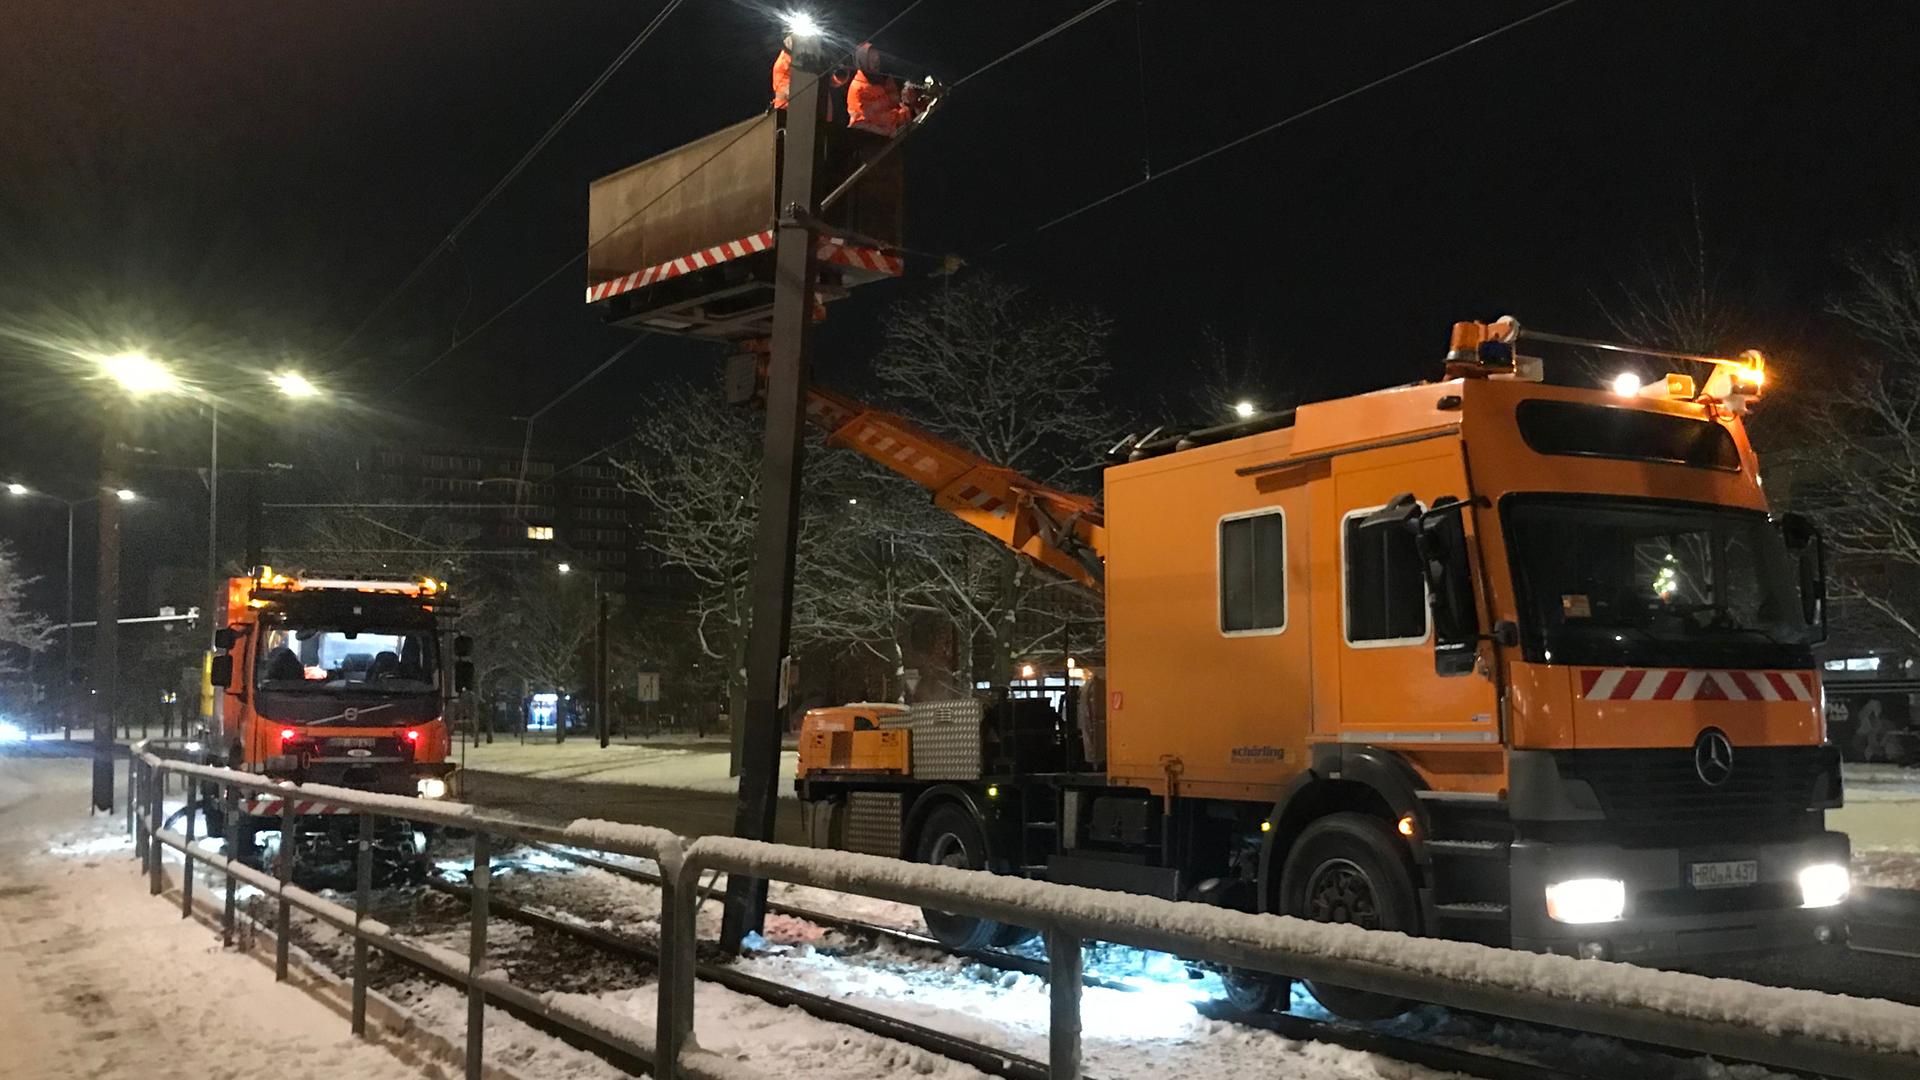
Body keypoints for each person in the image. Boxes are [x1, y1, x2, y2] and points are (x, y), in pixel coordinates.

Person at [846, 42, 926, 136]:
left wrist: (910, 100)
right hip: (880, 142)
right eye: (871, 60)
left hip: (900, 131)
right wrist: (908, 108)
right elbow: (883, 123)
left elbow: (897, 105)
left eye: (877, 58)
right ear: (863, 63)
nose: (876, 62)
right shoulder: (859, 91)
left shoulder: (884, 78)